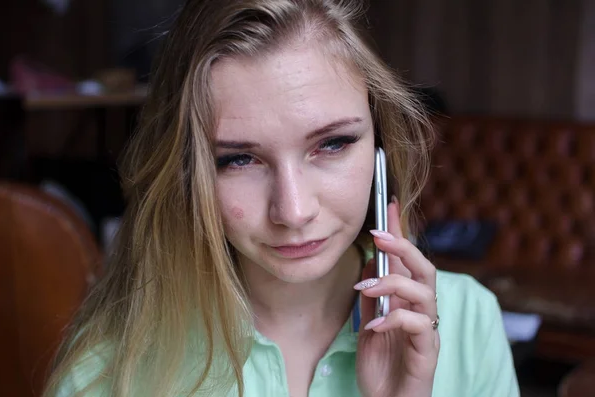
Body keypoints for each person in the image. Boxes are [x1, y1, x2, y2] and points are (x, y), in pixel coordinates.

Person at [44, 1, 520, 396]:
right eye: (238, 160)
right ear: (186, 175)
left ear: (380, 144)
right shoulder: (110, 367)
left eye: (331, 144)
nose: (293, 212)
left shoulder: (468, 324)